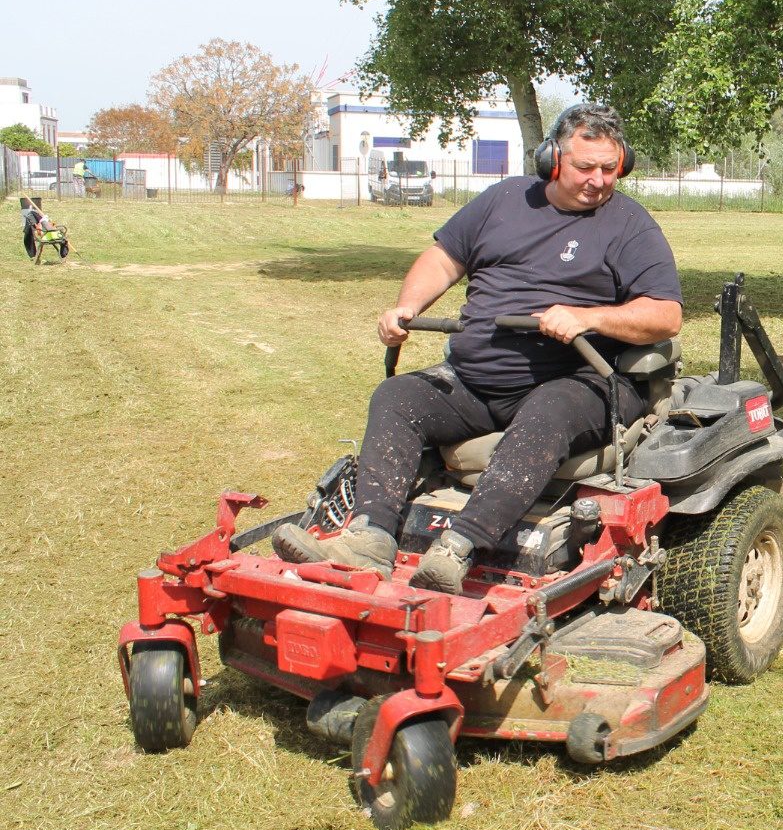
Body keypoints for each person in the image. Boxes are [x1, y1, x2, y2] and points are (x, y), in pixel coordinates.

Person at [274, 104, 683, 592]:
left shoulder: (630, 225)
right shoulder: (503, 200)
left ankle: (459, 546)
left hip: (579, 379)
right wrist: (406, 307)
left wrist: (586, 317)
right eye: (584, 167)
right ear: (552, 160)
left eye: (609, 169)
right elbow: (444, 258)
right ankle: (369, 541)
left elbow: (665, 314)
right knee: (398, 398)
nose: (598, 180)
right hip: (475, 382)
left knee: (549, 411)